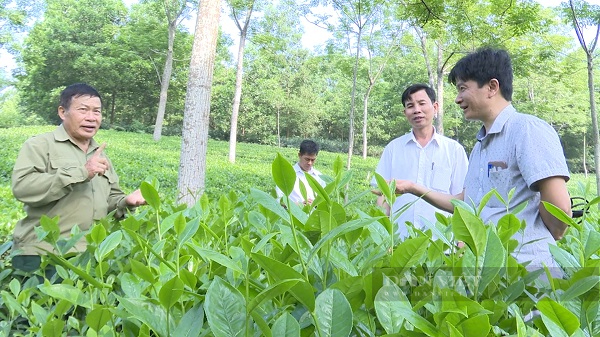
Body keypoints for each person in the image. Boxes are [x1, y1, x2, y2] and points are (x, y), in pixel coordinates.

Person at [392, 48, 571, 272]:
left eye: (462, 88)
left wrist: (536, 242)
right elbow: (466, 202)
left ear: (492, 87)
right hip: (488, 271)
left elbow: (559, 210)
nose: (457, 99)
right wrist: (413, 188)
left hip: (527, 270)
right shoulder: (480, 146)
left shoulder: (527, 130)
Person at [11, 83, 146, 272]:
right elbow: (23, 188)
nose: (91, 117)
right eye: (83, 110)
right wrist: (82, 172)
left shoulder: (101, 155)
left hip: (89, 256)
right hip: (43, 254)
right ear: (62, 112)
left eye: (97, 111)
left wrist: (126, 201)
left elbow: (109, 201)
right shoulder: (40, 145)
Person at [373, 84, 468, 239]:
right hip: (400, 241)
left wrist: (461, 245)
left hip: (441, 244)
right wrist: (383, 237)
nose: (416, 110)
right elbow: (383, 196)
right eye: (410, 106)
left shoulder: (454, 150)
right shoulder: (393, 148)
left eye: (422, 103)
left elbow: (462, 203)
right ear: (405, 113)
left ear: (435, 107)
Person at [276, 140, 326, 205]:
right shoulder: (287, 174)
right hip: (293, 214)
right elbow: (279, 200)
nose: (309, 163)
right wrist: (297, 205)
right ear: (299, 155)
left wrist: (315, 204)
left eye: (313, 160)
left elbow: (324, 201)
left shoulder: (319, 177)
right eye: (307, 159)